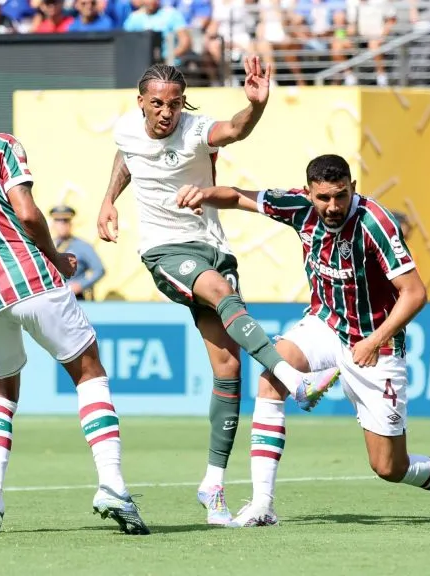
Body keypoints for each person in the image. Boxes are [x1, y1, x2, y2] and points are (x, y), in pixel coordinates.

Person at [175, 154, 430, 528]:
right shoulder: (297, 207)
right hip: (325, 323)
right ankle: (262, 504)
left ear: (353, 187)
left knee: (388, 466)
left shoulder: (375, 223)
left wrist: (374, 340)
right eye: (323, 198)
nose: (333, 206)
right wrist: (202, 194)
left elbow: (415, 293)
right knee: (272, 377)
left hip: (376, 343)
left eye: (340, 196)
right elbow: (240, 196)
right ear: (308, 192)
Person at [0, 73, 148, 535]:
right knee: (88, 371)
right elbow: (29, 213)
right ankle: (112, 484)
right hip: (31, 277)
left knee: (1, 391)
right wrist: (57, 259)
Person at [96, 59, 340, 525]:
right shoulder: (127, 128)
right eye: (157, 104)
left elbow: (233, 129)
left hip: (213, 247)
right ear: (140, 101)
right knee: (220, 291)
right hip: (165, 250)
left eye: (174, 104)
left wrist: (256, 105)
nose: (166, 113)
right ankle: (292, 378)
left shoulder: (194, 130)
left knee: (228, 368)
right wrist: (109, 199)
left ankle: (212, 485)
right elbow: (125, 155)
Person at [50, 205, 105, 300]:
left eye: (65, 221)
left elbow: (99, 270)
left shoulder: (82, 246)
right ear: (53, 224)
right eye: (58, 221)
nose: (62, 225)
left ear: (70, 223)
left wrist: (80, 284)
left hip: (73, 297)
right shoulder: (49, 245)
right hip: (51, 296)